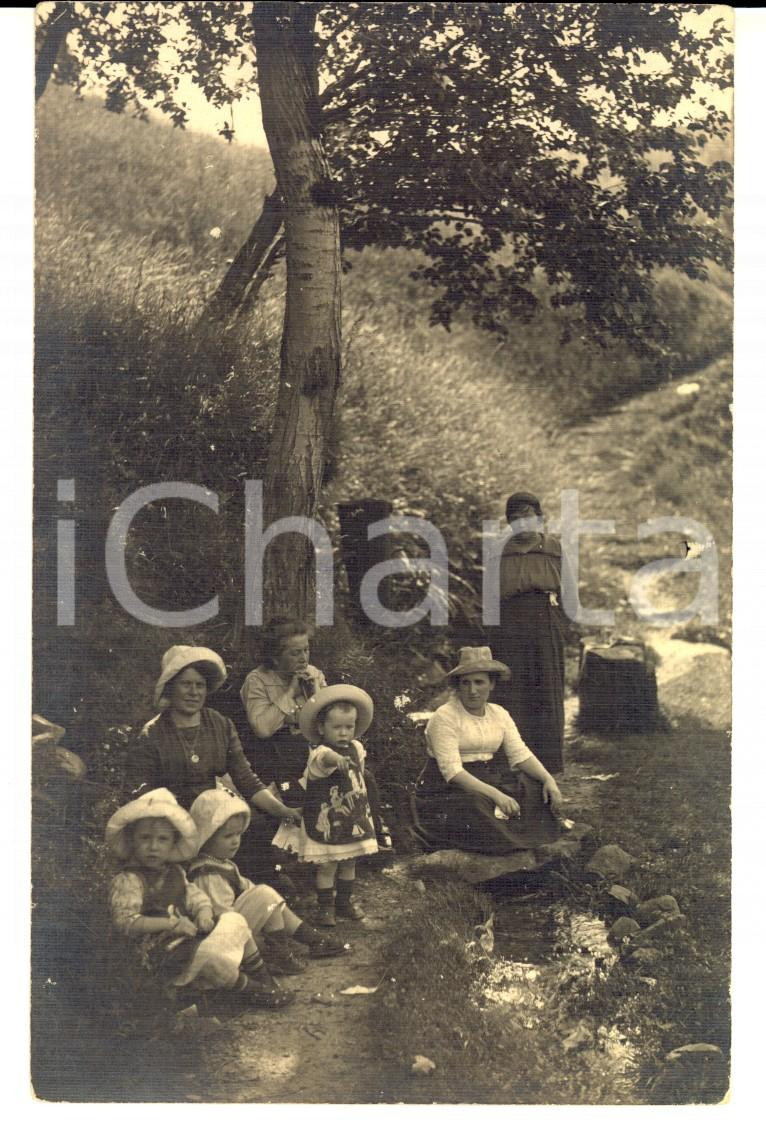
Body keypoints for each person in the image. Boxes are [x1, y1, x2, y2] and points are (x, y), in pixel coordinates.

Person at [124, 645, 301, 882]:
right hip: (171, 815)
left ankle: (256, 890)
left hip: (214, 811)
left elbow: (246, 779)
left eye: (200, 685)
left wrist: (284, 811)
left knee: (256, 826)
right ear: (170, 688)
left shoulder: (219, 724)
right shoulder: (152, 734)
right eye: (185, 684)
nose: (193, 692)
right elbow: (142, 794)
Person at [105, 787, 293, 1007]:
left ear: (173, 844)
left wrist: (203, 913)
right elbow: (126, 922)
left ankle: (261, 977)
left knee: (234, 921)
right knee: (211, 959)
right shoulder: (128, 880)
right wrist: (171, 924)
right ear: (132, 841)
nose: (153, 847)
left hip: (189, 943)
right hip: (159, 953)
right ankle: (252, 992)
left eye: (162, 839)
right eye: (145, 838)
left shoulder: (176, 873)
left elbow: (197, 898)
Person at [240, 619, 392, 849]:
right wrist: (290, 691)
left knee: (361, 777)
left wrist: (316, 692)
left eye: (306, 650)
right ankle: (312, 848)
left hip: (313, 745)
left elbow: (330, 720)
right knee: (304, 787)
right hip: (275, 752)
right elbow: (262, 729)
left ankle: (370, 837)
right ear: (275, 656)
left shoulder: (313, 674)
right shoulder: (258, 680)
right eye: (295, 653)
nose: (303, 658)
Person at [413, 648, 564, 855]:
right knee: (476, 804)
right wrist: (497, 796)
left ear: (492, 684)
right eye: (465, 683)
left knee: (534, 785)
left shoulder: (499, 714)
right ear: (458, 686)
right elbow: (452, 772)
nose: (472, 690)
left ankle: (520, 834)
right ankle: (515, 838)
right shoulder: (445, 716)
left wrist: (549, 780)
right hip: (447, 786)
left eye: (479, 682)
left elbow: (520, 754)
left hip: (486, 778)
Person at [187, 786, 349, 976]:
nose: (235, 841)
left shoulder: (223, 863)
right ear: (206, 837)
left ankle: (308, 940)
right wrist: (256, 939)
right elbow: (221, 917)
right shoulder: (207, 873)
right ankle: (282, 952)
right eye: (228, 836)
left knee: (266, 896)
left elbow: (249, 891)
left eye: (238, 834)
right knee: (264, 894)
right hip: (222, 938)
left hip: (236, 929)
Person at [273, 685, 378, 927]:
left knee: (350, 860)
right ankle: (325, 906)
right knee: (328, 863)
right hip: (327, 817)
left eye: (349, 727)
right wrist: (338, 760)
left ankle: (345, 901)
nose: (344, 733)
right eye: (337, 727)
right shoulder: (320, 753)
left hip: (352, 815)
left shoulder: (357, 748)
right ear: (321, 728)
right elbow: (327, 760)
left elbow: (358, 776)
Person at [487, 491, 571, 774]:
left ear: (540, 519)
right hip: (509, 622)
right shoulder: (498, 552)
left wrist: (562, 625)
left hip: (546, 619)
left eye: (528, 516)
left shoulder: (554, 549)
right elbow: (489, 598)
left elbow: (568, 593)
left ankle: (549, 764)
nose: (522, 523)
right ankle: (515, 763)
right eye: (515, 518)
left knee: (547, 688)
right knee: (513, 690)